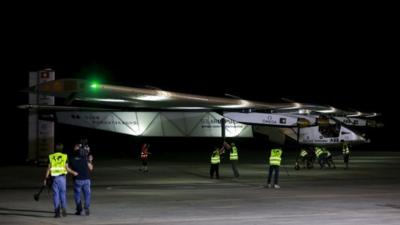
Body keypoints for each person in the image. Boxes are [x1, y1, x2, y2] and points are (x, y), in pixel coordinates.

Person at [43, 143, 78, 218]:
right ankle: (64, 210)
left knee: (56, 195)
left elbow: (48, 169)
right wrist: (73, 172)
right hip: (62, 179)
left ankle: (57, 212)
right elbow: (66, 168)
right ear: (62, 149)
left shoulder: (51, 156)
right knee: (62, 194)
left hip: (54, 179)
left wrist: (45, 179)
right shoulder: (65, 156)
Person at [69, 144, 94, 216]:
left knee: (77, 195)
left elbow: (67, 168)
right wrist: (90, 160)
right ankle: (86, 207)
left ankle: (79, 209)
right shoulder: (84, 158)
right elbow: (91, 168)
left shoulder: (71, 159)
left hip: (77, 179)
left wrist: (73, 172)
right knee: (87, 194)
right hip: (86, 179)